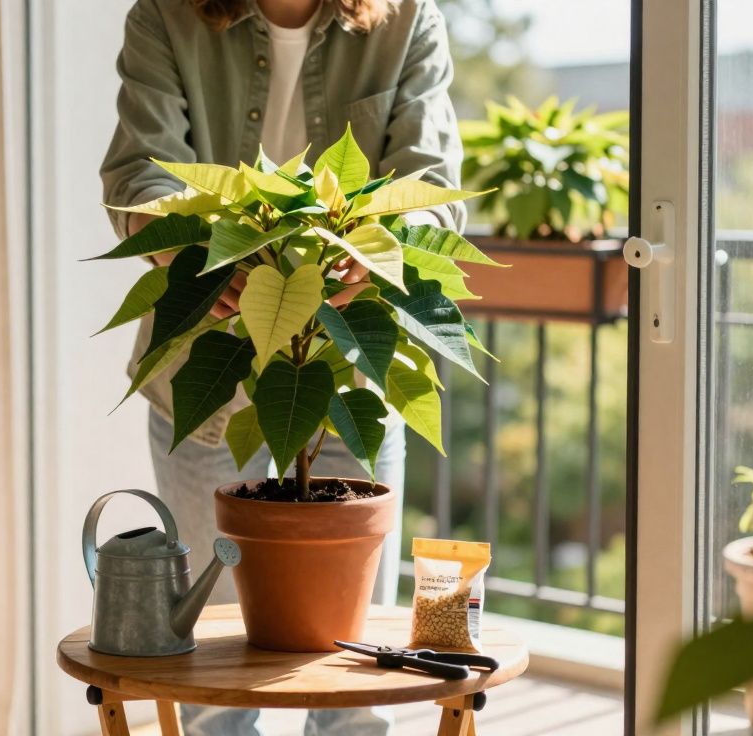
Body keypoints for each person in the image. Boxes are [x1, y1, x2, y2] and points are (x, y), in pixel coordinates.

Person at [101, 0, 465, 732]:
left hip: (350, 365)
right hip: (207, 377)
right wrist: (202, 252)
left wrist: (375, 246)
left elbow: (432, 187)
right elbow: (137, 178)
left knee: (355, 675)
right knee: (213, 680)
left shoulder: (404, 18)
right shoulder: (166, 17)